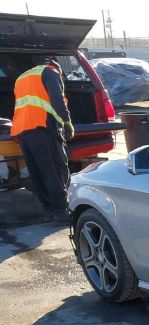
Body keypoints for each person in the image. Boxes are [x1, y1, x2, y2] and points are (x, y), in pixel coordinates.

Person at [11, 57, 74, 220]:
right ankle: (60, 212)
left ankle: (48, 211)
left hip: (23, 130)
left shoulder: (21, 78)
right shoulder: (50, 72)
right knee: (55, 169)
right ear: (57, 69)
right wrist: (66, 122)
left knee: (38, 171)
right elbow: (57, 99)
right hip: (42, 128)